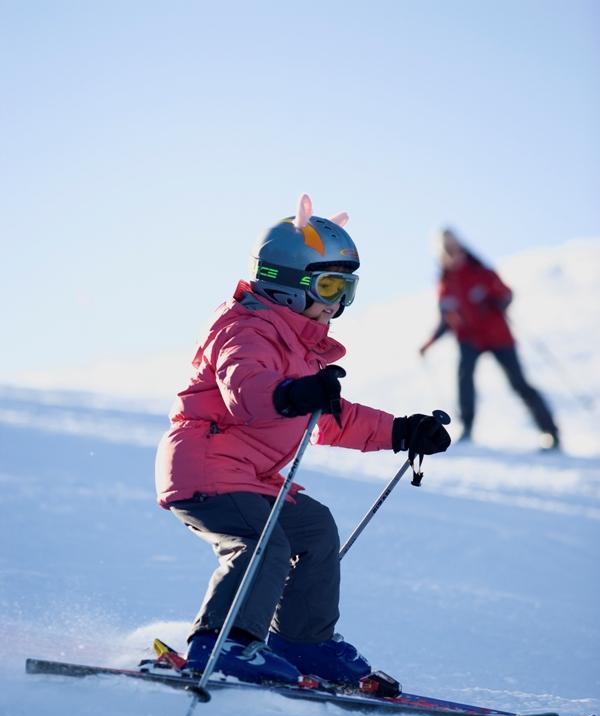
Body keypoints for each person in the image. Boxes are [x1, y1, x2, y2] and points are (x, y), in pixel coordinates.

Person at [155, 194, 451, 687]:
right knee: (261, 541)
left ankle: (302, 642)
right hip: (206, 468)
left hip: (251, 478)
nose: (338, 303)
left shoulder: (298, 345)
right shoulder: (245, 328)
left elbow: (326, 418)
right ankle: (224, 644)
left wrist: (400, 431)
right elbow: (248, 391)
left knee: (313, 529)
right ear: (288, 284)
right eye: (330, 286)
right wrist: (292, 393)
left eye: (347, 289)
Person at [419, 229, 560, 449]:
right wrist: (429, 344)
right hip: (468, 338)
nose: (452, 255)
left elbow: (506, 294)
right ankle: (467, 429)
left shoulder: (481, 272)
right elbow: (445, 319)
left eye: (455, 249)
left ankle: (550, 431)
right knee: (464, 379)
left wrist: (497, 301)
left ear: (462, 249)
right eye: (447, 251)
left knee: (518, 383)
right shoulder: (445, 283)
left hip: (497, 336)